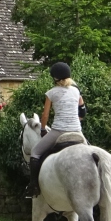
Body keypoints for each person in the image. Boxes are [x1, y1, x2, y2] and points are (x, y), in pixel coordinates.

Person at [27, 61, 86, 198]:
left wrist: (42, 129)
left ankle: (34, 186)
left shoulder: (51, 93)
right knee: (90, 148)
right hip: (77, 131)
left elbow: (45, 115)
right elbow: (82, 112)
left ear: (55, 78)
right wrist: (75, 121)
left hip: (59, 131)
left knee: (35, 152)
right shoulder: (76, 91)